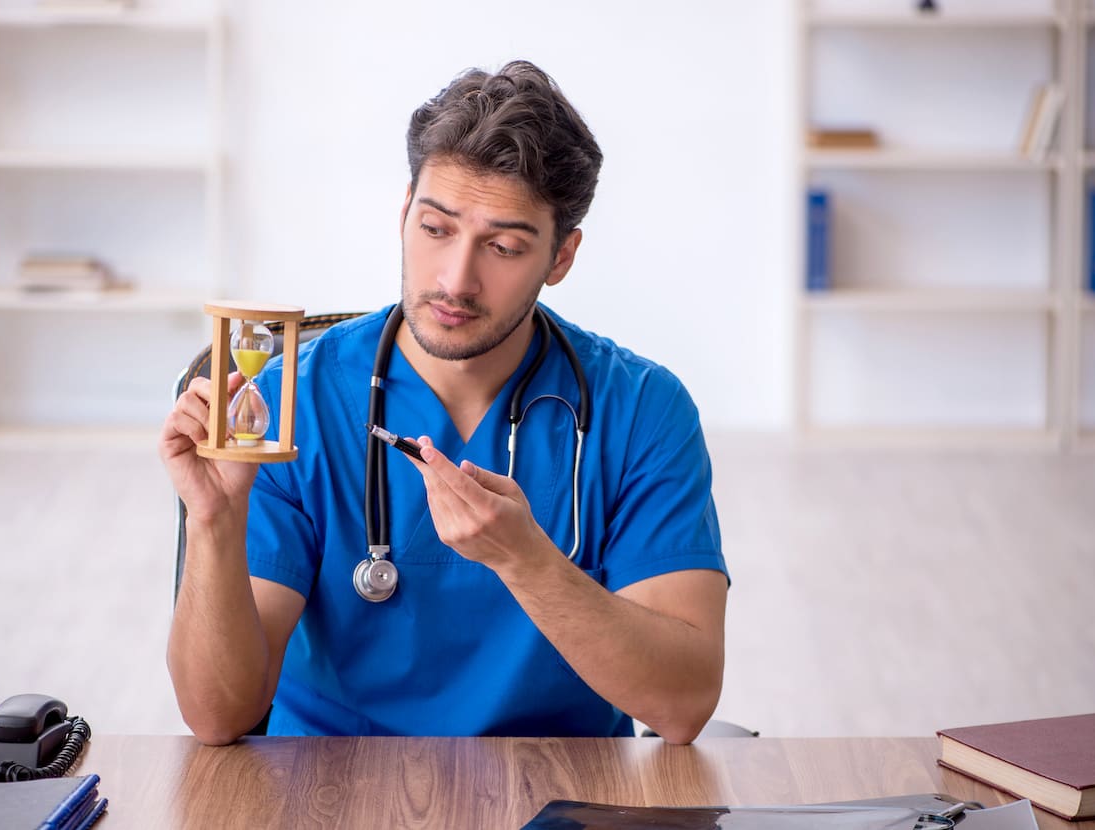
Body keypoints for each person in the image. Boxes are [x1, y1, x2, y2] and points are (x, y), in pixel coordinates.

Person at [161, 60, 728, 746]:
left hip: (562, 795)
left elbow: (683, 703)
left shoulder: (642, 410)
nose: (457, 279)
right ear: (404, 213)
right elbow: (217, 716)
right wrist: (215, 521)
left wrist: (526, 561)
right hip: (324, 792)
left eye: (505, 246)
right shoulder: (288, 402)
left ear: (561, 258)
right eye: (436, 229)